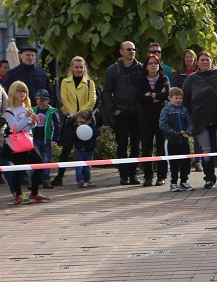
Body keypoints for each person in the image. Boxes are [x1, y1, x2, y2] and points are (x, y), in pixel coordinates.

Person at [182, 51, 217, 190]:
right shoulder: (192, 79)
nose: (205, 62)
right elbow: (185, 100)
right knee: (206, 151)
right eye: (202, 60)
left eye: (208, 59)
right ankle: (209, 179)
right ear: (197, 62)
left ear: (212, 61)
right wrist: (192, 117)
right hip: (201, 122)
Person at [52, 57, 98, 187]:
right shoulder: (65, 82)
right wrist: (74, 115)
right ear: (71, 68)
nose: (79, 69)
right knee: (66, 150)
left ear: (84, 68)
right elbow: (64, 100)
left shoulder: (90, 83)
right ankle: (59, 176)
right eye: (76, 67)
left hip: (86, 121)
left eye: (81, 67)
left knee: (86, 150)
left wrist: (82, 115)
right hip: (71, 120)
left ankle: (85, 178)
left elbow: (92, 100)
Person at [103, 41, 145, 185]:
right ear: (121, 51)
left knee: (136, 145)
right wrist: (113, 109)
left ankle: (133, 174)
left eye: (133, 49)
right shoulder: (113, 70)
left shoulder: (141, 68)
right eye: (128, 49)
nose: (131, 51)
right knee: (121, 144)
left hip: (138, 112)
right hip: (121, 113)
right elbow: (107, 91)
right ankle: (123, 175)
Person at [3, 82, 50, 205]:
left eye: (24, 91)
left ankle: (34, 193)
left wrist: (33, 121)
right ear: (13, 92)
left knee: (39, 164)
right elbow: (14, 128)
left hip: (28, 141)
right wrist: (26, 118)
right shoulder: (9, 111)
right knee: (19, 169)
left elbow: (30, 126)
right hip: (17, 143)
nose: (22, 93)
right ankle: (18, 195)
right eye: (19, 91)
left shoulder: (26, 107)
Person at [136, 54, 170, 187]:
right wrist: (156, 96)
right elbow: (139, 97)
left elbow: (166, 95)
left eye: (155, 63)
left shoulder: (164, 78)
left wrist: (150, 94)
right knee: (146, 148)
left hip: (160, 117)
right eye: (150, 63)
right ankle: (148, 176)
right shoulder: (141, 80)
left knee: (161, 147)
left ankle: (161, 176)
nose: (153, 65)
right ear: (146, 66)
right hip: (145, 118)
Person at [160, 87, 193, 191]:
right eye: (176, 98)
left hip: (183, 140)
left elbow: (190, 123)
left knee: (186, 163)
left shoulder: (184, 110)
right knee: (173, 163)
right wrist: (176, 133)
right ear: (170, 98)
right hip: (171, 140)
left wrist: (188, 132)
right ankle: (173, 183)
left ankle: (184, 181)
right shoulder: (166, 109)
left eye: (180, 98)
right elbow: (163, 124)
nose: (179, 100)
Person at [31, 89, 61, 188]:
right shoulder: (33, 110)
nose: (40, 101)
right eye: (38, 99)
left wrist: (54, 139)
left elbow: (56, 126)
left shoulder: (52, 111)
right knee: (34, 160)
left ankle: (46, 179)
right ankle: (33, 180)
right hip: (34, 140)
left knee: (46, 160)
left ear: (47, 100)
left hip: (46, 140)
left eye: (43, 100)